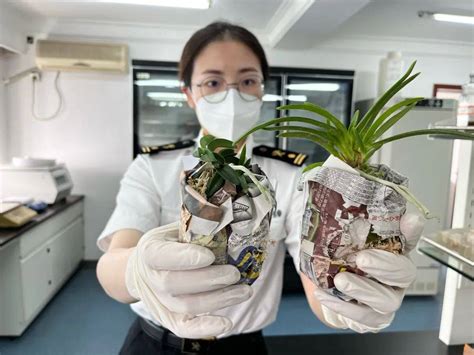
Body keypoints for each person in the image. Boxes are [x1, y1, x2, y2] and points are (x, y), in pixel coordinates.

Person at [96, 21, 424, 355]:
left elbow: (314, 277)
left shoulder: (289, 175)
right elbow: (110, 267)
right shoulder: (154, 167)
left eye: (247, 81)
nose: (232, 95)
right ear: (189, 94)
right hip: (154, 343)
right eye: (212, 82)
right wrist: (137, 271)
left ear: (261, 91)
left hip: (243, 347)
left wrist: (348, 302)